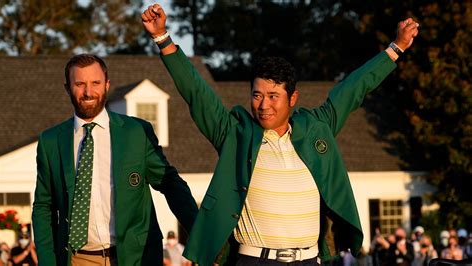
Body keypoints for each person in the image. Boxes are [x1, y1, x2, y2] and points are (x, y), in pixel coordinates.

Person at [142, 3, 419, 265]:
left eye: (273, 96)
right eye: (257, 95)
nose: (263, 105)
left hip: (310, 260)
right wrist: (162, 38)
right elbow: (195, 92)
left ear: (293, 98)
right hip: (253, 261)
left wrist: (396, 48)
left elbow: (354, 89)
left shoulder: (316, 128)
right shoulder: (234, 134)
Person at [32, 53, 198, 265]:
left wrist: (203, 236)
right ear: (67, 88)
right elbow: (43, 207)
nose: (88, 91)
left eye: (95, 83)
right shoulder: (51, 141)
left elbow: (170, 184)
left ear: (107, 85)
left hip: (135, 257)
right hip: (78, 258)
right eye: (80, 83)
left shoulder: (137, 132)